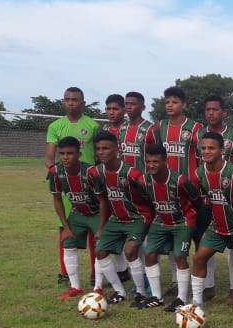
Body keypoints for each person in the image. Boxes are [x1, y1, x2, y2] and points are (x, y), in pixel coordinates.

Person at [190, 132, 233, 322]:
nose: (206, 151)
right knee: (199, 257)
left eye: (211, 148)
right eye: (203, 148)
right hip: (217, 225)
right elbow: (200, 195)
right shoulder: (199, 173)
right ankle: (196, 302)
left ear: (222, 150)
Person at [87, 131, 153, 305]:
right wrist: (101, 228)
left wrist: (151, 221)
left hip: (137, 218)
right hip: (116, 219)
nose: (101, 152)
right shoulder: (95, 173)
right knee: (100, 252)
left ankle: (140, 292)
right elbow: (102, 200)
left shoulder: (133, 174)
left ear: (117, 149)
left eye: (106, 148)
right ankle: (119, 292)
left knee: (130, 250)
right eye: (98, 149)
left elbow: (149, 198)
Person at [44, 87, 100, 285]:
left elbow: (98, 154)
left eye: (75, 99)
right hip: (67, 184)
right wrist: (52, 169)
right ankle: (65, 272)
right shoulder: (55, 126)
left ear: (82, 103)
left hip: (89, 185)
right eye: (67, 99)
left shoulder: (92, 126)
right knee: (65, 227)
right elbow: (50, 155)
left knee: (95, 230)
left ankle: (96, 273)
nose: (71, 103)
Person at [155, 86, 206, 297]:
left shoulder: (195, 129)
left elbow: (203, 157)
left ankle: (206, 284)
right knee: (171, 240)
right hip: (166, 193)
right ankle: (177, 282)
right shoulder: (159, 128)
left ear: (183, 104)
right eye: (167, 101)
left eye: (174, 101)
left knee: (199, 239)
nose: (170, 105)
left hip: (190, 192)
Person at [142, 143, 204, 312]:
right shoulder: (144, 180)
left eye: (156, 161)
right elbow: (145, 201)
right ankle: (156, 296)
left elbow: (196, 200)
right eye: (148, 161)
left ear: (165, 161)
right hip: (160, 220)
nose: (151, 165)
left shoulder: (180, 180)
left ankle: (181, 298)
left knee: (180, 257)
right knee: (149, 254)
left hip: (183, 221)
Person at [203, 94, 233, 304]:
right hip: (210, 197)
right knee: (204, 245)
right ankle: (207, 286)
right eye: (208, 110)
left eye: (215, 109)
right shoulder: (200, 134)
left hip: (232, 199)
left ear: (223, 113)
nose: (211, 113)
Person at [47, 136, 100, 300]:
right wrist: (66, 227)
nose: (65, 157)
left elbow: (104, 201)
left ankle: (98, 288)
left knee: (101, 249)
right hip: (77, 212)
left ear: (79, 154)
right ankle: (75, 287)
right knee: (68, 243)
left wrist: (103, 225)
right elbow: (57, 199)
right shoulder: (56, 172)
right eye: (61, 153)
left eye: (70, 153)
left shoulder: (91, 172)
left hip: (97, 212)